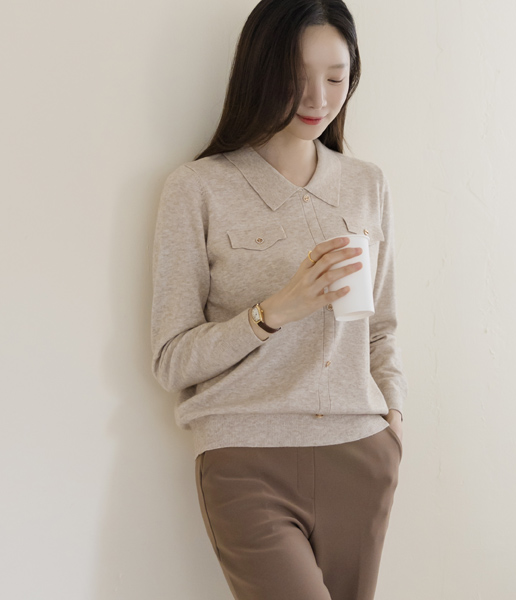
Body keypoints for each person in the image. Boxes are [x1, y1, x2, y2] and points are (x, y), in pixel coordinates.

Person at [150, 0, 408, 598]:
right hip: (245, 460)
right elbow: (171, 360)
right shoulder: (197, 188)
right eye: (297, 77)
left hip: (360, 454)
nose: (318, 98)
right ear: (259, 71)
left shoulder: (367, 183)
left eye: (337, 78)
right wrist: (274, 313)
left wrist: (392, 420)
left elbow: (381, 327)